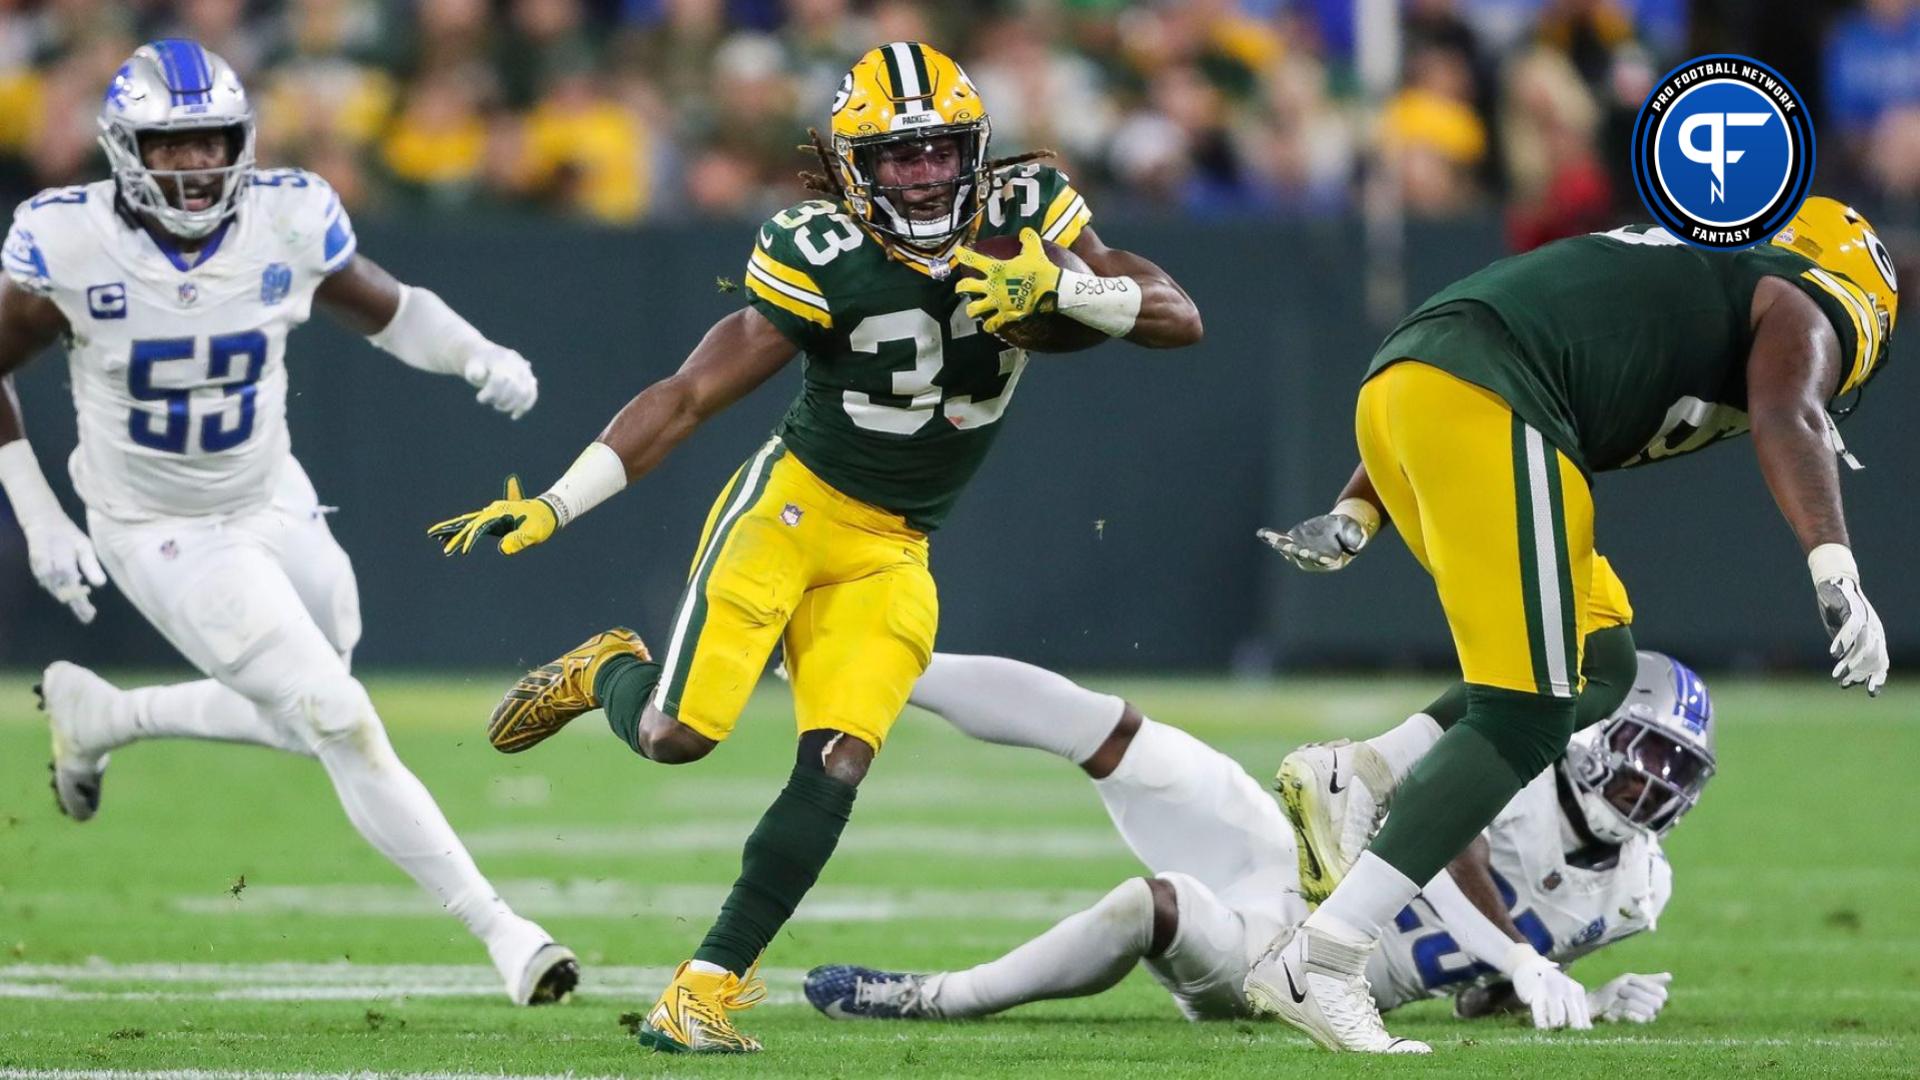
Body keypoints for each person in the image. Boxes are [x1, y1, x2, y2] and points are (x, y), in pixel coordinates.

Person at [427, 41, 1203, 1053]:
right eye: (895, 158)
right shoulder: (817, 249)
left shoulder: (1031, 213)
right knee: (678, 737)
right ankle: (606, 670)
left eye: (937, 153)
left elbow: (1179, 316)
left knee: (837, 762)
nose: (922, 176)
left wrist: (1069, 292)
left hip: (898, 546)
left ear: (975, 150)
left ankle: (701, 990)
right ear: (850, 168)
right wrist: (563, 503)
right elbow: (691, 393)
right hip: (793, 510)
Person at [1243, 203, 1895, 1052]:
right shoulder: (1808, 296)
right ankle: (1324, 960)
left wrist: (1359, 509)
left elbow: (1465, 348)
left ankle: (1364, 771)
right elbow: (1790, 414)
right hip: (1490, 401)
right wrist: (1836, 567)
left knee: (1601, 663)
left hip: (1416, 387)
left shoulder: (1692, 278)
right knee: (1526, 714)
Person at [0, 40, 573, 1006]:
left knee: (318, 696)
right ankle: (504, 931)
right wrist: (39, 515)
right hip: (157, 527)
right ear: (124, 149)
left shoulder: (285, 215)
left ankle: (109, 715)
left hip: (273, 493)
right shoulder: (69, 239)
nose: (197, 166)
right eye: (171, 147)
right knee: (337, 716)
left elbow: (388, 311)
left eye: (212, 141)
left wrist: (476, 354)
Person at [802, 651, 1700, 1032]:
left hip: (1296, 963)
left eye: (1674, 770)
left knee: (1147, 906)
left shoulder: (1632, 897)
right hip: (1294, 860)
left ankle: (936, 998)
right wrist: (1516, 957)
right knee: (1123, 736)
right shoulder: (1524, 766)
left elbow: (1473, 998)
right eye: (1645, 755)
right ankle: (877, 663)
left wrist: (1580, 994)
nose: (1651, 785)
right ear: (1593, 738)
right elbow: (1442, 831)